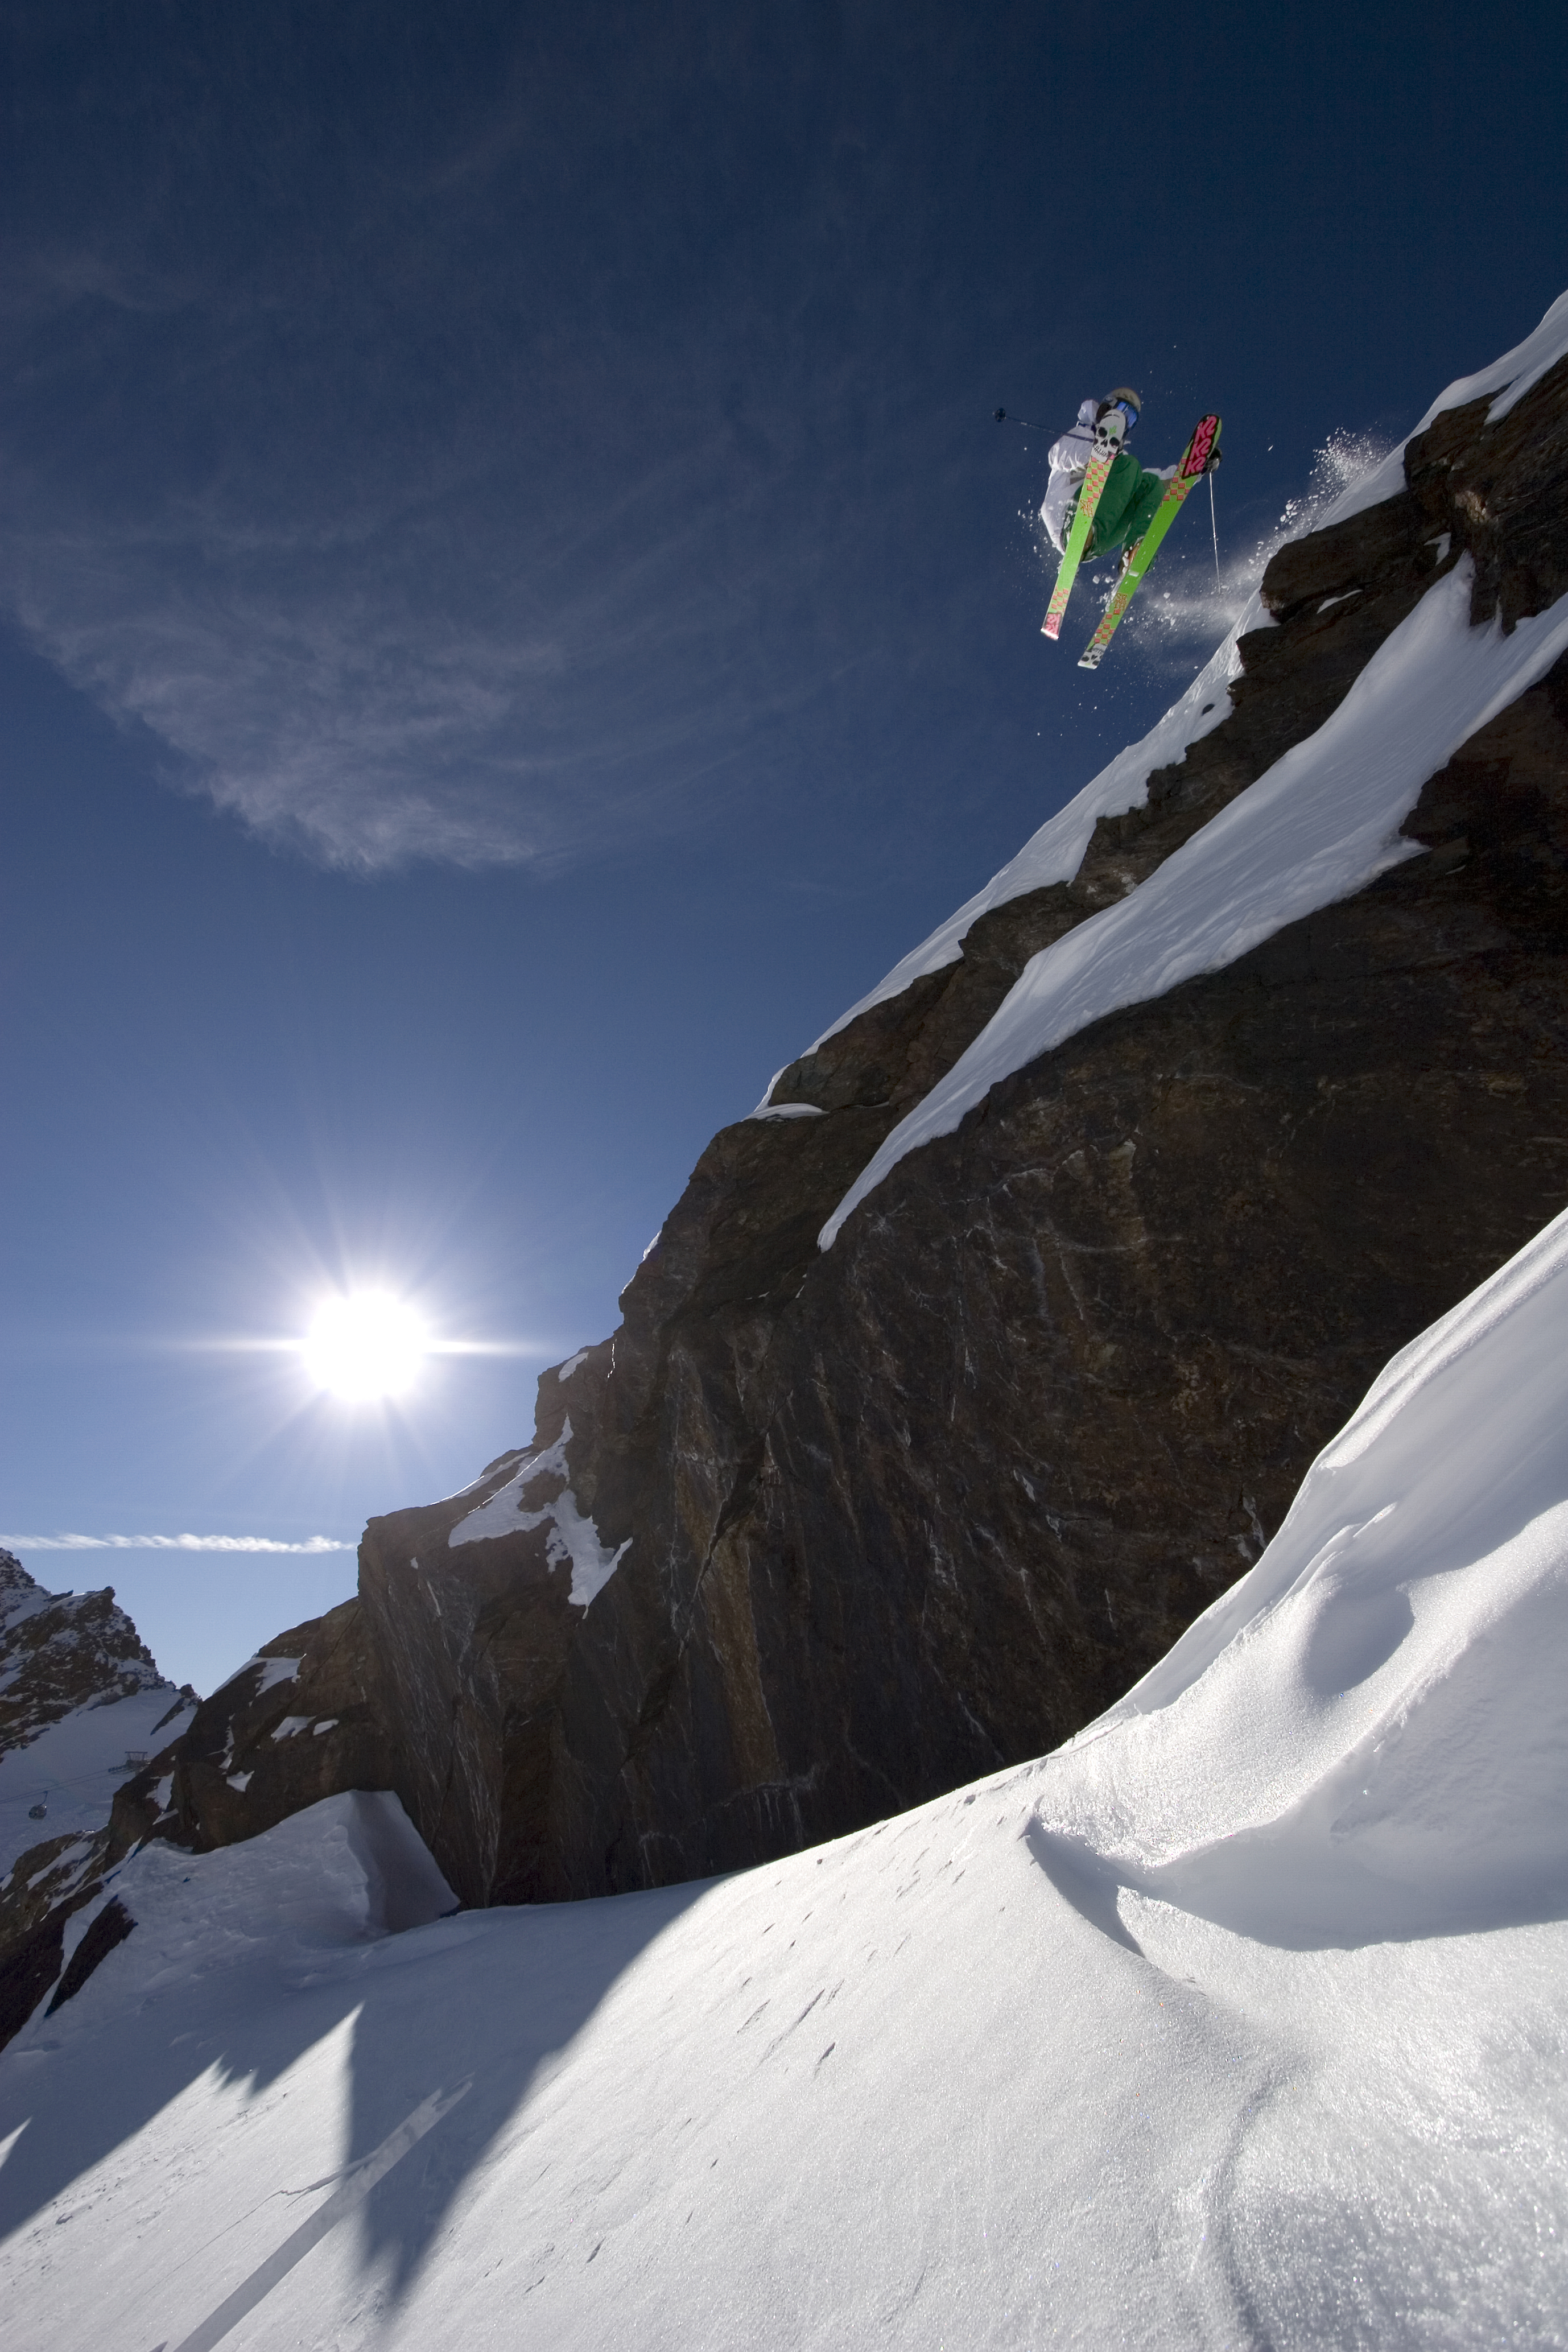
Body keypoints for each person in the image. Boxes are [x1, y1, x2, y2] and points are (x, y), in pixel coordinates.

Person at [1041, 389, 1216, 568]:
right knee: (1129, 465)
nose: (1125, 421)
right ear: (1107, 406)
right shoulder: (1084, 433)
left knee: (1150, 485)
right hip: (1065, 518)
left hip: (1098, 540)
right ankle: (1080, 531)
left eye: (1131, 419)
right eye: (1123, 411)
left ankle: (1134, 552)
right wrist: (1098, 454)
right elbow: (1056, 455)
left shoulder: (1121, 460)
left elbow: (1155, 480)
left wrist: (1194, 469)